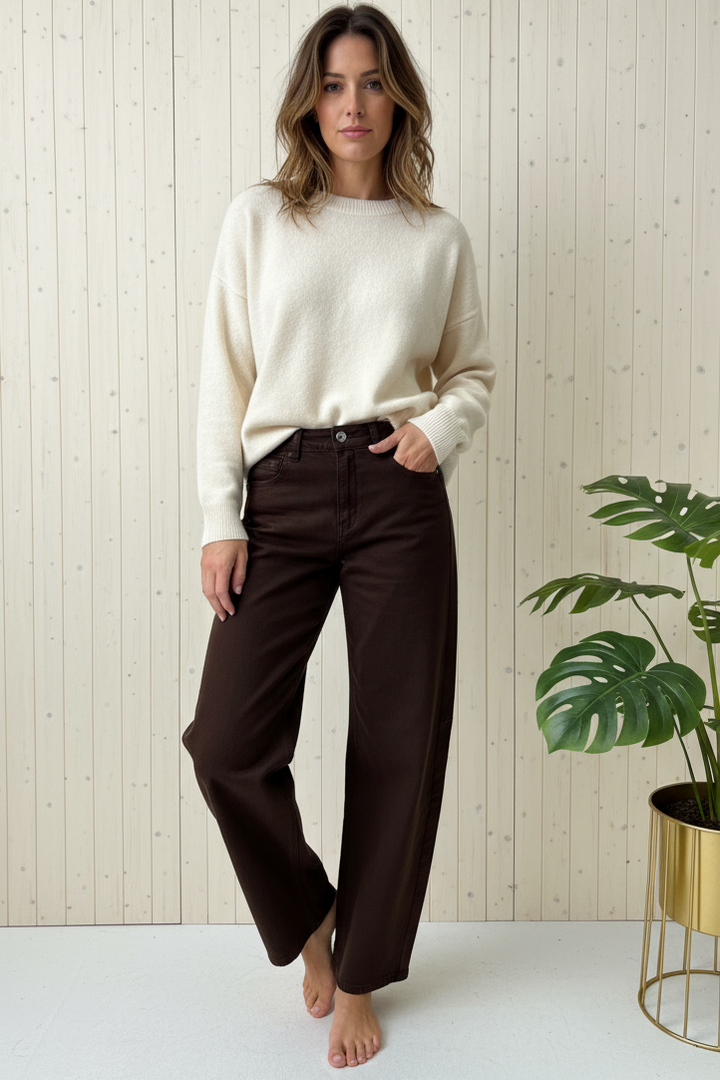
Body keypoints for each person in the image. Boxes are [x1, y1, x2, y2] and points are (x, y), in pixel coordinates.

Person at [181, 3, 496, 1069]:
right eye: (331, 84)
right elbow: (222, 377)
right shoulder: (262, 219)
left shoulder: (435, 236)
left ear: (397, 97)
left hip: (398, 492)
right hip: (283, 490)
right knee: (224, 744)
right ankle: (313, 924)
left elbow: (473, 376)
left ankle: (358, 971)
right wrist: (221, 518)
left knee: (399, 743)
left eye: (370, 83)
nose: (351, 104)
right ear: (306, 102)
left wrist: (439, 429)